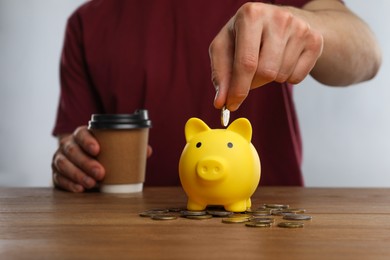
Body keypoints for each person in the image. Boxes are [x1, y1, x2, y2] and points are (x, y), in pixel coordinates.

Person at [51, 0, 381, 193]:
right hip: (133, 234)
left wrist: (305, 25)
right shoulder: (86, 22)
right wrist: (74, 161)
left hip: (268, 231)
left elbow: (367, 53)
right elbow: (76, 143)